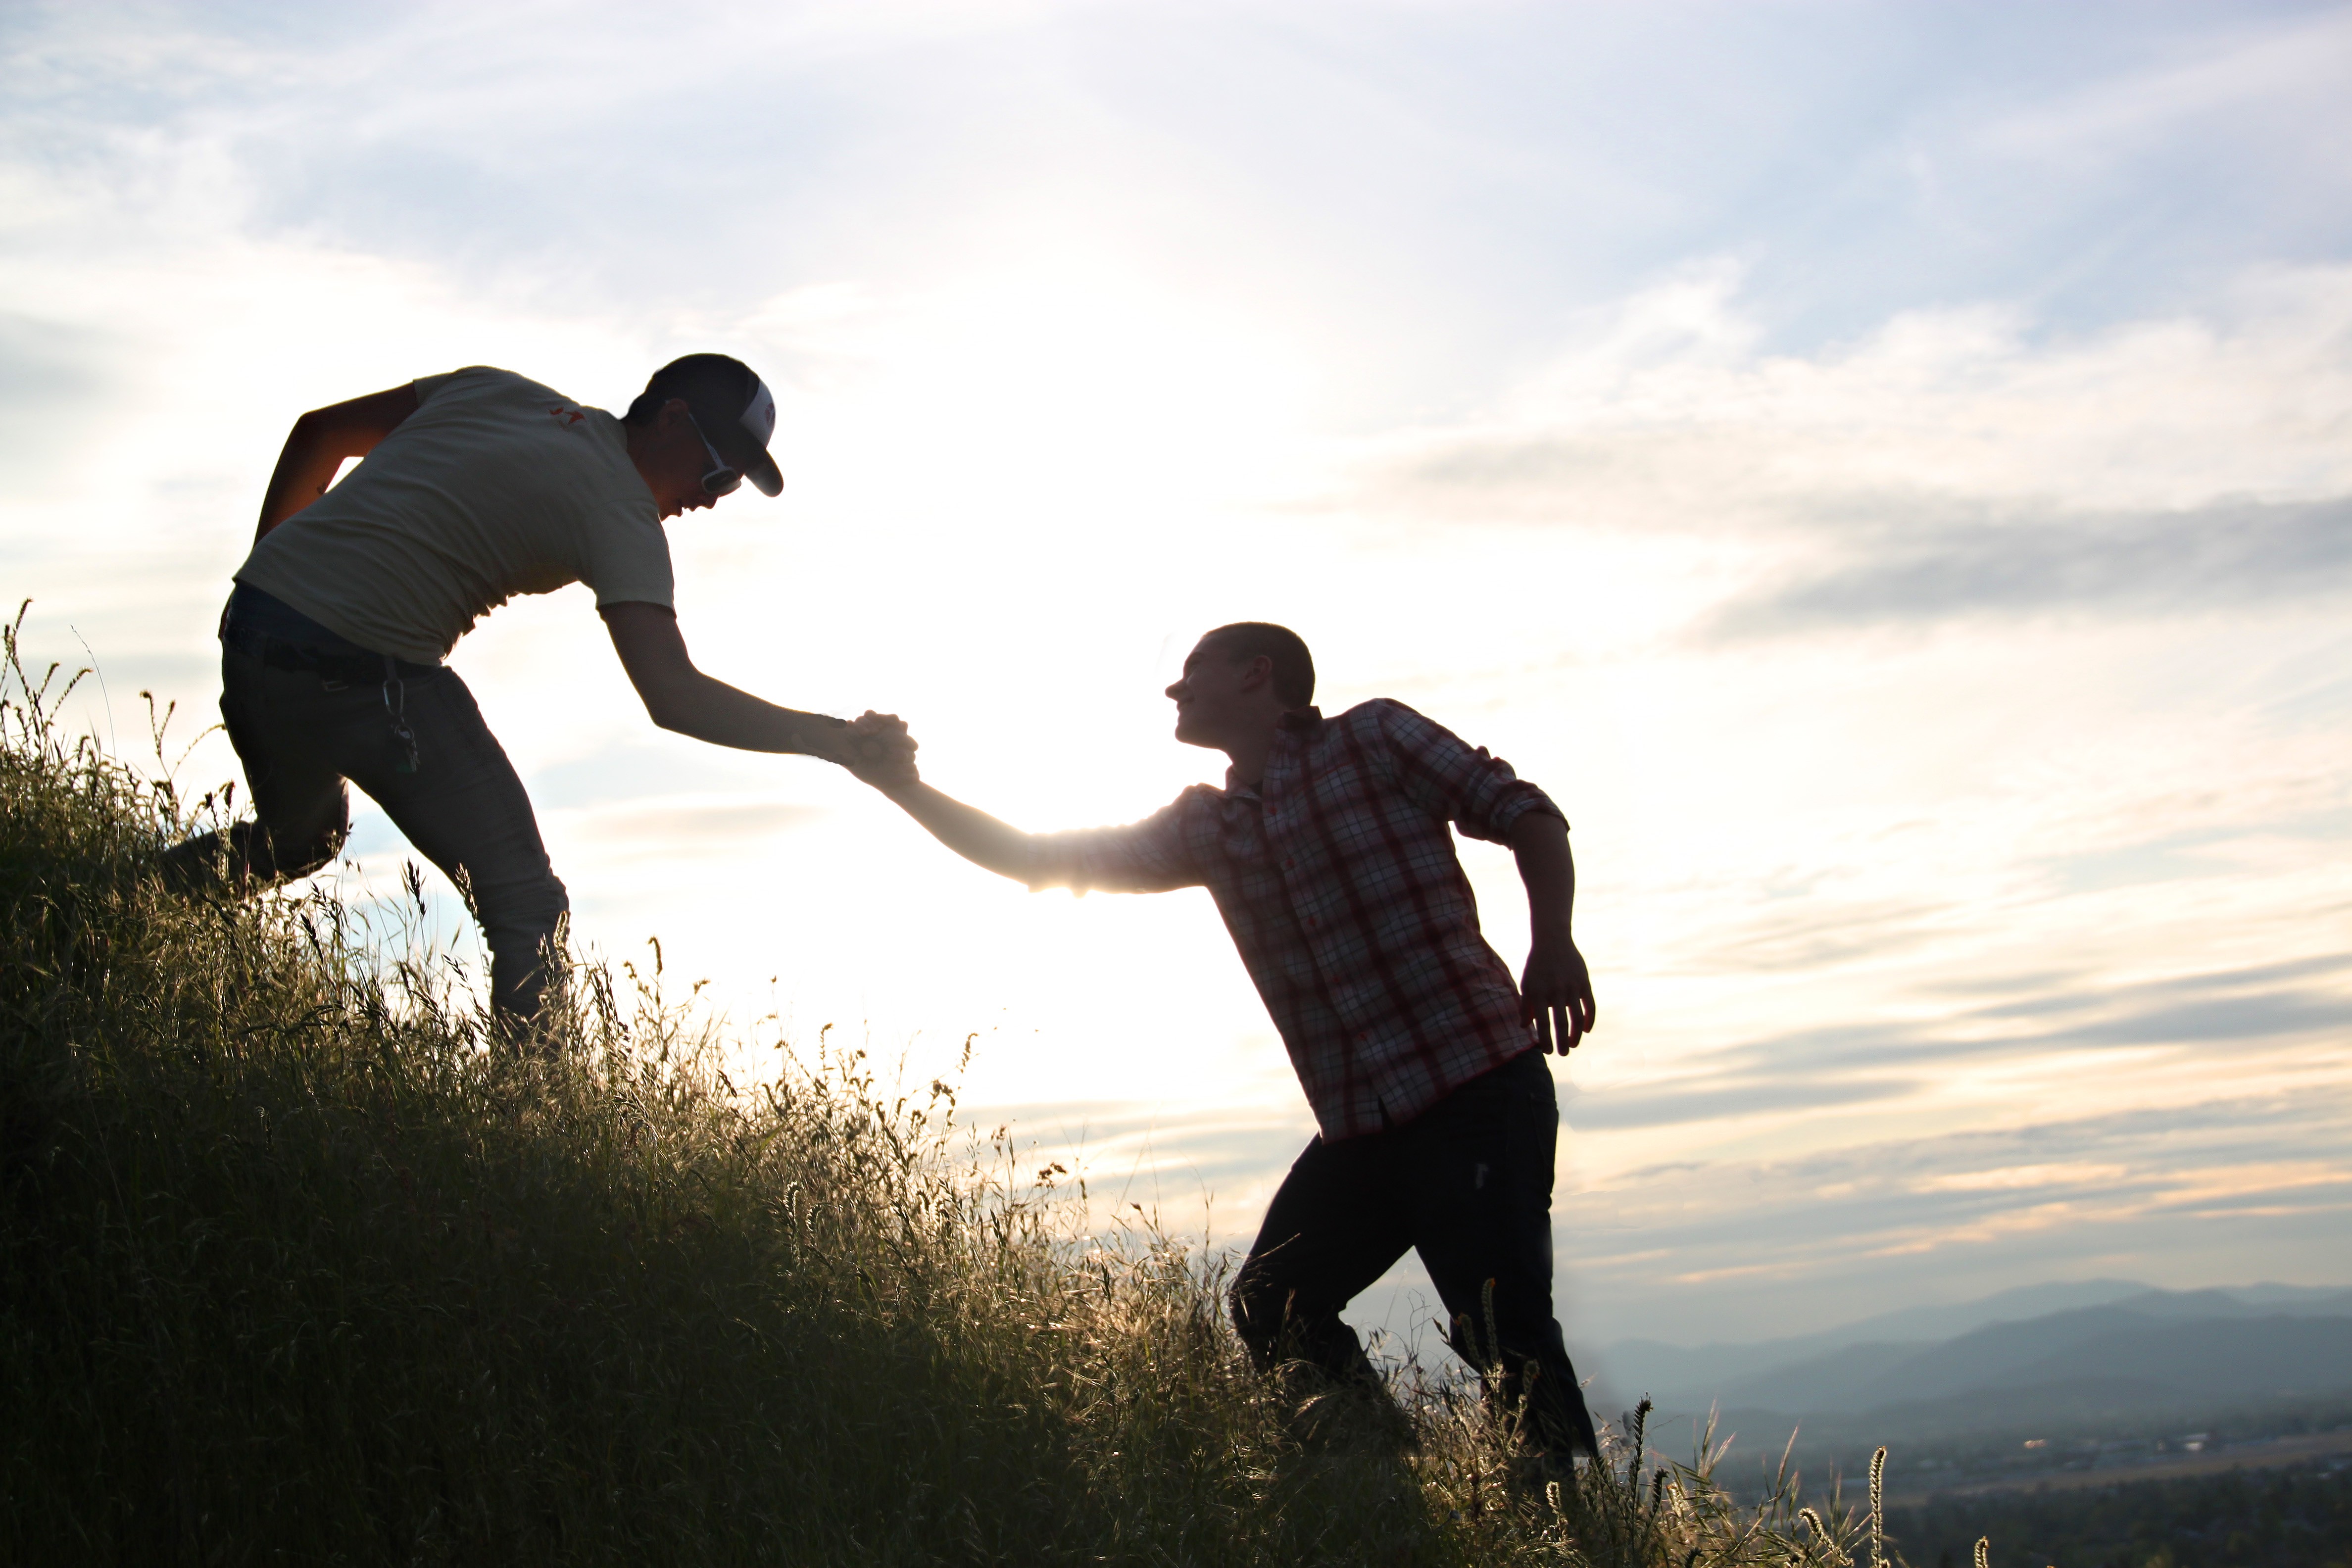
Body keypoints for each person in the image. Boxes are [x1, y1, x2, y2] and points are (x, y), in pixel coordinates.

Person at [845, 622, 1601, 1460]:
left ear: (1257, 675)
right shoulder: (1209, 825)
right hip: (1363, 1127)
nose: (1176, 690)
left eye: (1192, 671)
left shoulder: (1376, 737)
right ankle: (1388, 1487)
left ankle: (1573, 1534)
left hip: (1476, 1086)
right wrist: (904, 789)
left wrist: (1554, 944)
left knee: (1506, 1335)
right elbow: (1036, 854)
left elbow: (1524, 812)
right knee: (1272, 1303)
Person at [165, 355, 910, 1034]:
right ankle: (529, 1148)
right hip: (363, 669)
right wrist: (834, 740)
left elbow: (318, 434)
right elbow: (673, 695)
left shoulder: (499, 391)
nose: (713, 503)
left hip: (253, 635)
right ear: (673, 418)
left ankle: (84, 912)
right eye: (719, 476)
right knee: (529, 908)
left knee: (303, 839)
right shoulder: (620, 510)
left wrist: (273, 574)